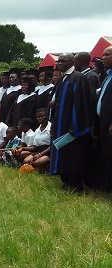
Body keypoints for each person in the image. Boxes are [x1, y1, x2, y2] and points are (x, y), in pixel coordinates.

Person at [49, 53, 92, 191]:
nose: (59, 64)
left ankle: (75, 184)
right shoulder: (63, 79)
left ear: (72, 62)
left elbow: (80, 104)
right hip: (60, 123)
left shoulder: (78, 78)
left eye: (63, 61)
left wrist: (75, 126)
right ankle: (65, 180)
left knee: (73, 155)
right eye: (58, 61)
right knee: (62, 153)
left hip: (71, 126)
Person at [94, 46, 112, 190]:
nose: (103, 58)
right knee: (105, 155)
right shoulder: (107, 76)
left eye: (107, 55)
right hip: (102, 123)